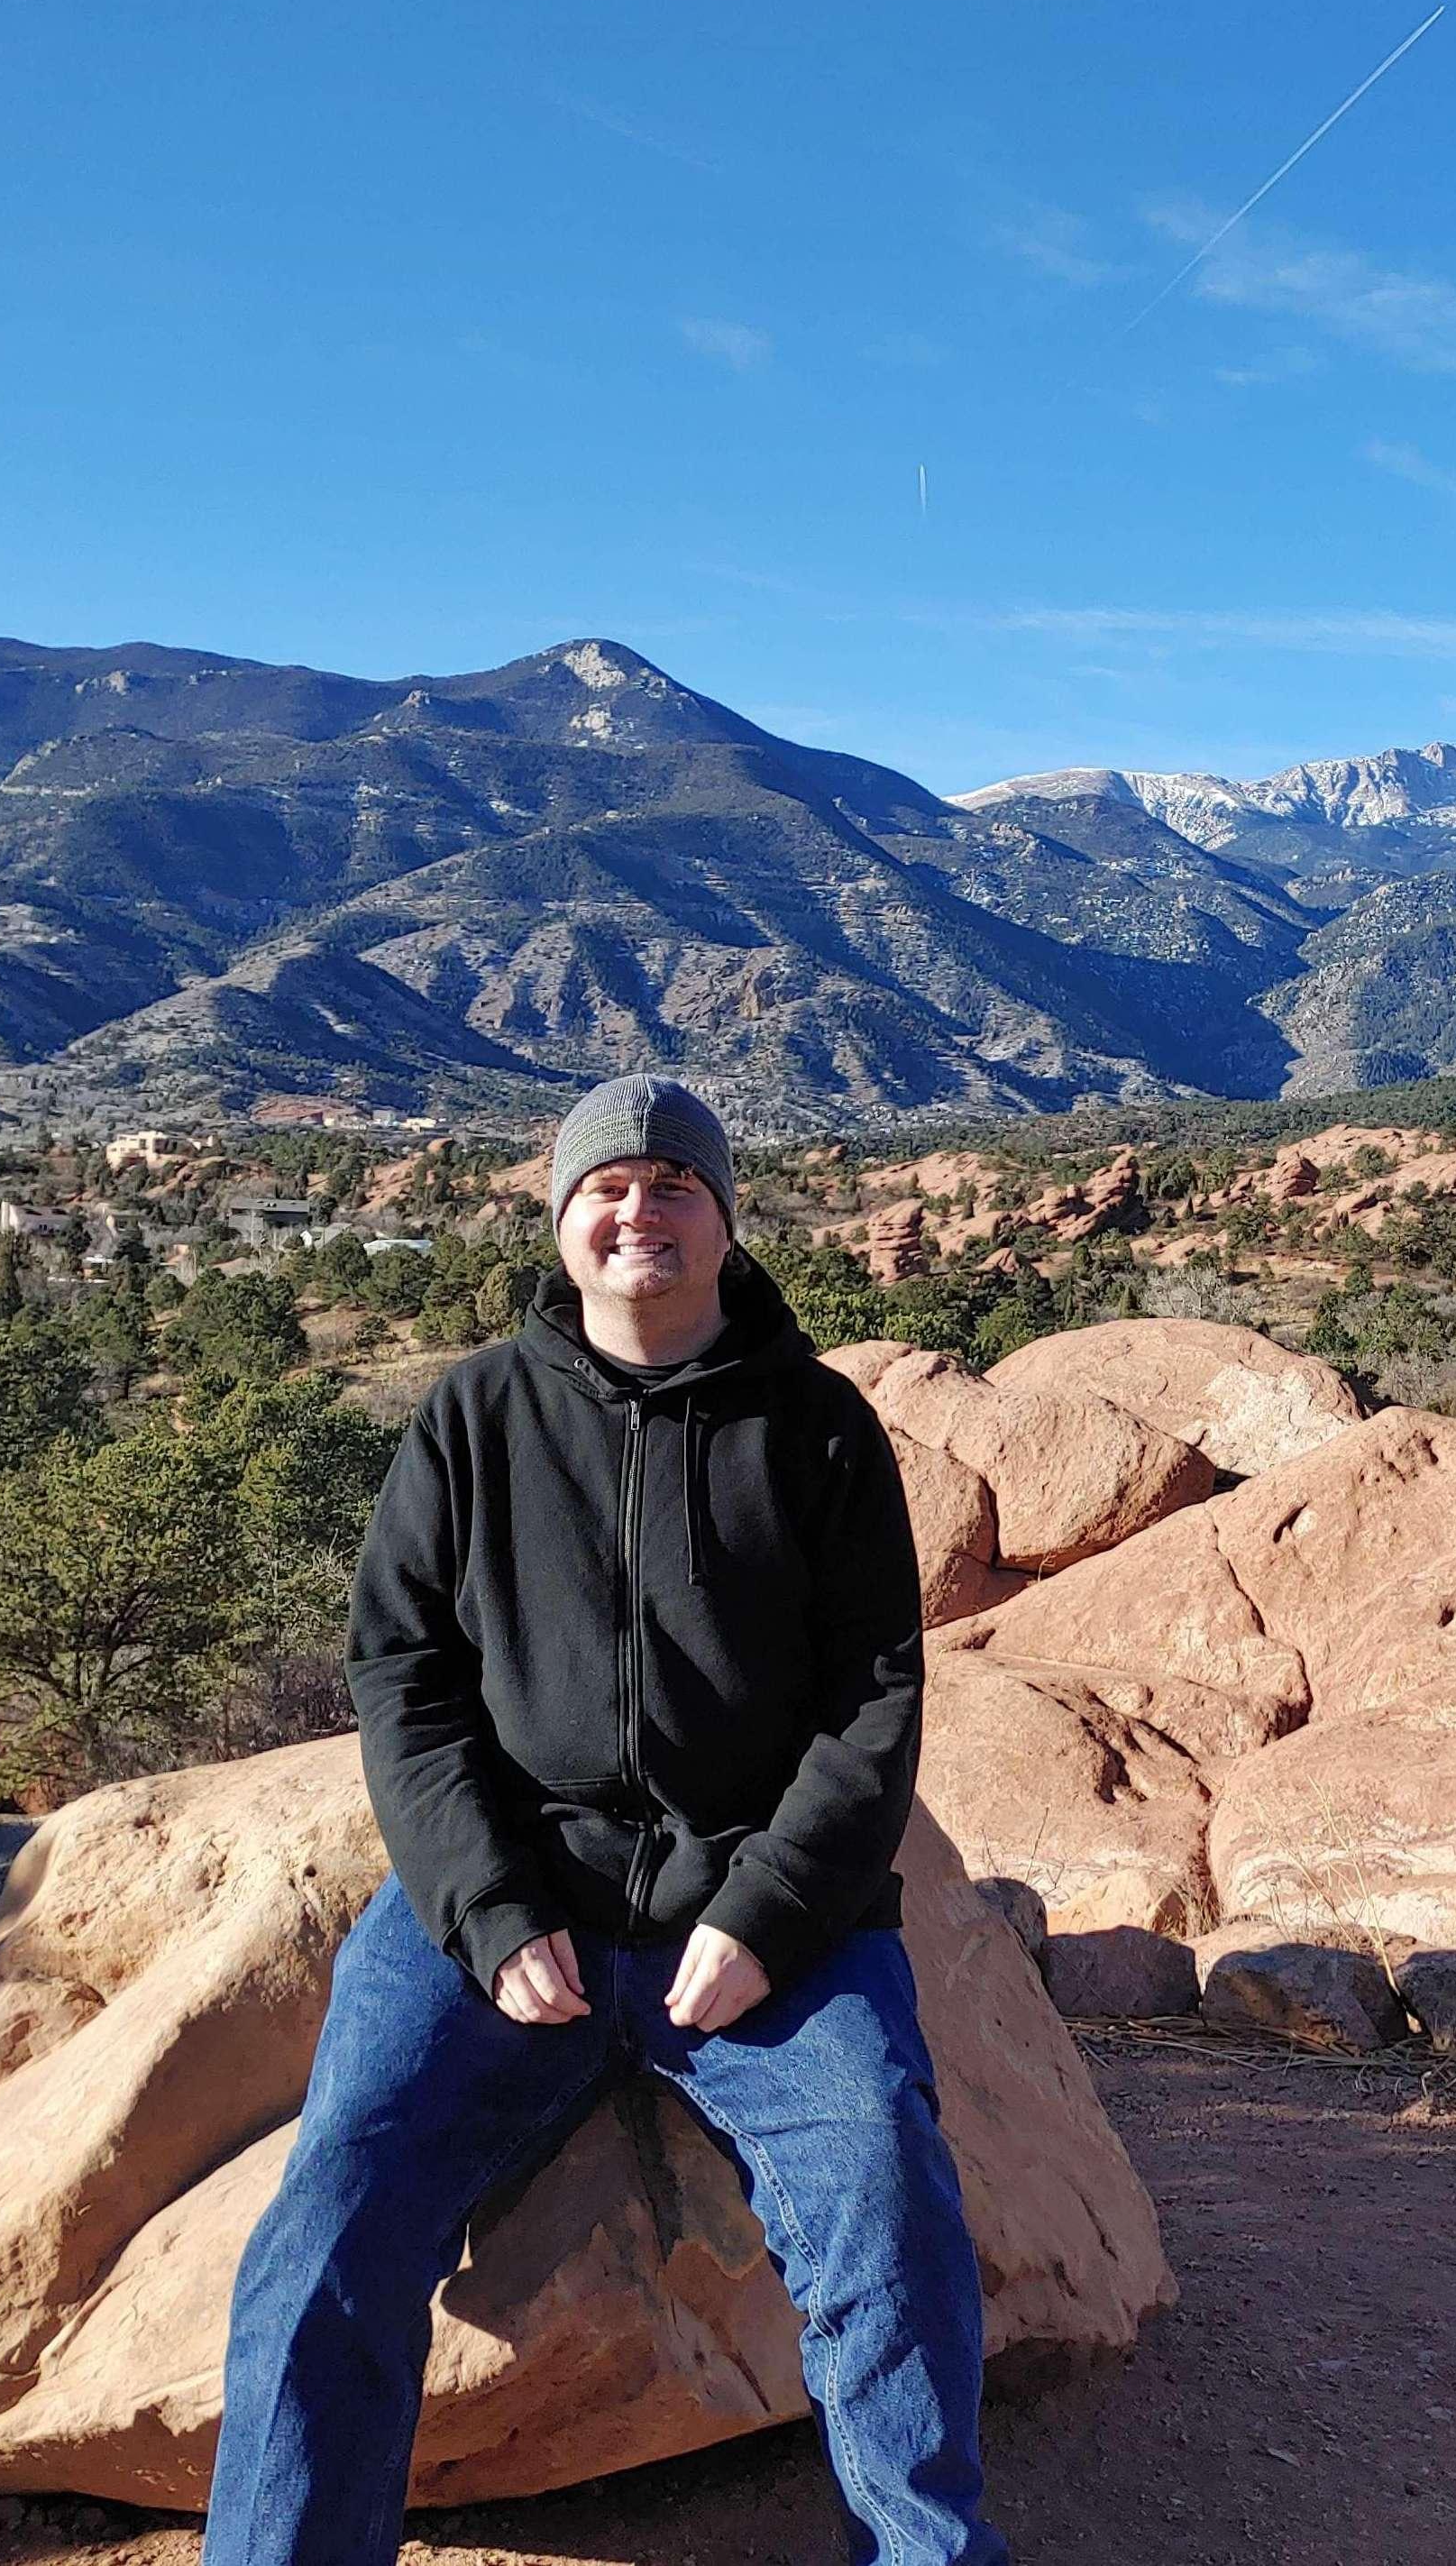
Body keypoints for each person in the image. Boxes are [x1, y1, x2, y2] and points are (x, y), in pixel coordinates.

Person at [202, 1075, 1007, 2566]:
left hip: (765, 1921)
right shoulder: (473, 1416)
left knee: (887, 2201)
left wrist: (766, 1917)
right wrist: (489, 1907)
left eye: (673, 1183)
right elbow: (404, 1673)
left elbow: (873, 1703)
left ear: (725, 1216)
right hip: (509, 1902)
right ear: (564, 1222)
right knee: (330, 2215)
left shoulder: (819, 1428)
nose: (641, 1210)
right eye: (608, 1188)